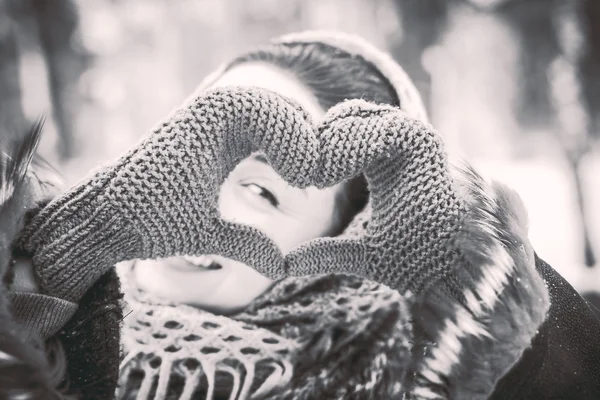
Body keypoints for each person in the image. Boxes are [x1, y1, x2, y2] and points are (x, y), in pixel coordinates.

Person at [4, 31, 600, 400]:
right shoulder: (56, 313)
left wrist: (471, 273)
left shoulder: (385, 379)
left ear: (341, 245)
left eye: (263, 191)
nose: (196, 197)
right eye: (188, 150)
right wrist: (59, 253)